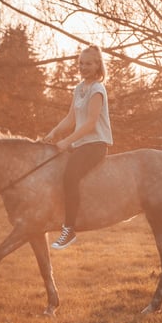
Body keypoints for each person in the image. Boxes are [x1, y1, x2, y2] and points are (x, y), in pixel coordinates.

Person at [43, 45, 113, 250]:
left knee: (70, 176)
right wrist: (53, 133)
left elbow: (91, 123)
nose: (83, 67)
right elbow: (71, 118)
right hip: (81, 144)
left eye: (88, 63)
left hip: (95, 145)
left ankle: (69, 229)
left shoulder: (97, 89)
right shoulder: (79, 88)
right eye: (81, 63)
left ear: (98, 64)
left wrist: (66, 142)